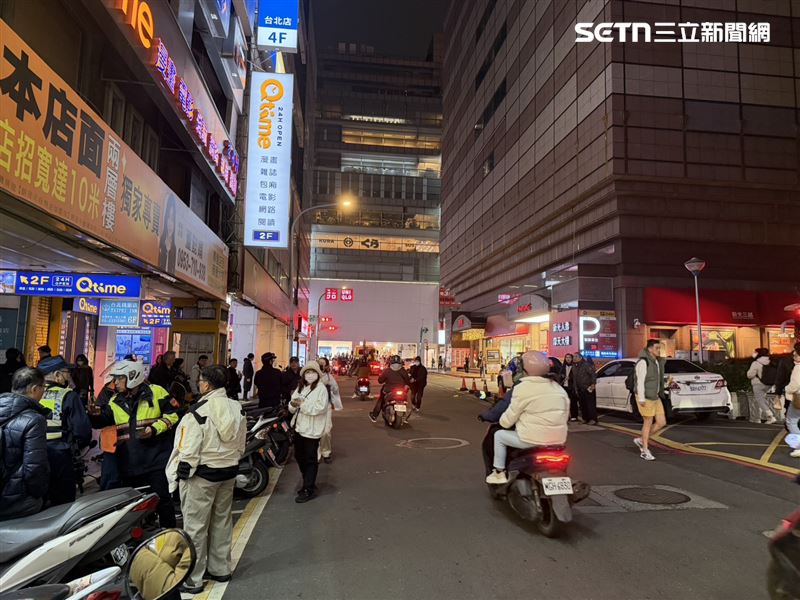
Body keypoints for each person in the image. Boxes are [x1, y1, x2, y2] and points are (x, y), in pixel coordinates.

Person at [166, 364, 246, 594]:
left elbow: (188, 451)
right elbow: (241, 444)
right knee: (222, 522)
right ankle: (221, 569)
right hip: (228, 473)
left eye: (200, 381)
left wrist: (178, 478)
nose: (198, 384)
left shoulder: (197, 412)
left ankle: (193, 578)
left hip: (201, 477)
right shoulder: (237, 408)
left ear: (207, 385)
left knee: (195, 527)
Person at [88, 359, 179, 528]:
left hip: (155, 459)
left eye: (119, 378)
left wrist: (154, 429)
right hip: (128, 461)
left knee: (163, 500)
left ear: (132, 377)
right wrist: (94, 415)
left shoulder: (156, 392)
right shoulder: (114, 401)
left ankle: (170, 535)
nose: (115, 383)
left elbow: (174, 415)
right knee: (133, 505)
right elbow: (103, 421)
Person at [485, 352, 569, 484]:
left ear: (524, 370)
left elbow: (508, 419)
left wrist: (502, 422)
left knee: (499, 435)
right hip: (558, 441)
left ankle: (499, 473)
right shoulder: (558, 388)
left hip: (531, 440)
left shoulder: (523, 388)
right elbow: (566, 414)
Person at [38, 355, 92, 505]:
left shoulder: (33, 393)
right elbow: (82, 431)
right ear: (57, 375)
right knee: (62, 503)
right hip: (60, 455)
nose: (69, 376)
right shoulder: (68, 395)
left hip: (34, 454)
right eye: (67, 372)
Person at [0, 367, 50, 520]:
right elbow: (34, 468)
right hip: (18, 501)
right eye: (43, 387)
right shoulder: (34, 420)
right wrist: (39, 494)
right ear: (34, 389)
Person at [288, 361, 331, 503]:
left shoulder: (321, 389)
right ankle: (308, 481)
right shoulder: (301, 387)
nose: (310, 375)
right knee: (299, 456)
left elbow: (320, 408)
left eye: (313, 372)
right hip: (299, 427)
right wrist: (292, 405)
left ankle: (308, 488)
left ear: (318, 374)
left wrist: (302, 405)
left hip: (313, 430)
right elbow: (293, 403)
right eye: (307, 372)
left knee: (310, 459)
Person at [632, 340, 667, 461]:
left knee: (661, 422)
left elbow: (655, 380)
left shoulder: (656, 362)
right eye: (657, 348)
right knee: (648, 422)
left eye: (659, 348)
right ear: (650, 349)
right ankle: (645, 451)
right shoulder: (643, 362)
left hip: (655, 396)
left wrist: (665, 385)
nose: (659, 350)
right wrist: (641, 398)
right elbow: (640, 382)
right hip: (645, 396)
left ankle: (641, 440)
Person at [316, 357, 343, 463]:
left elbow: (335, 389)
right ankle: (316, 454)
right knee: (315, 431)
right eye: (319, 363)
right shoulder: (312, 376)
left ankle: (326, 452)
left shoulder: (328, 377)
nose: (321, 366)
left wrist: (330, 387)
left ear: (327, 366)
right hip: (314, 407)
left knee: (326, 431)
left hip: (326, 406)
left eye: (323, 364)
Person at [370, 355, 411, 423]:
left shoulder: (387, 370)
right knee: (407, 401)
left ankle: (374, 416)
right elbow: (408, 381)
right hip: (401, 390)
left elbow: (380, 381)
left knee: (381, 399)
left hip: (389, 390)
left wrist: (381, 376)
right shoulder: (403, 370)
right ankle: (406, 418)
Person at [748, 348, 776, 424]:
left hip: (758, 384)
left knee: (760, 400)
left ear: (758, 353)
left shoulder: (756, 363)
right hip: (769, 384)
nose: (754, 353)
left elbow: (750, 375)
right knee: (760, 400)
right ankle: (756, 418)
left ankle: (770, 416)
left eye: (755, 352)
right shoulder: (771, 361)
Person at [571, 352, 597, 425]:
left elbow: (593, 374)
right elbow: (574, 378)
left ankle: (593, 419)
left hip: (588, 388)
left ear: (580, 357)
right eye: (574, 357)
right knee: (582, 405)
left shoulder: (586, 365)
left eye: (576, 356)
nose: (574, 358)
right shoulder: (574, 366)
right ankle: (585, 418)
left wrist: (593, 384)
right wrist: (575, 388)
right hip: (579, 388)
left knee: (590, 405)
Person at [783, 344, 800, 458]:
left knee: (791, 421)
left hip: (798, 399)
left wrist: (786, 389)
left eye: (796, 352)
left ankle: (798, 447)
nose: (794, 354)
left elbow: (795, 385)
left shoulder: (798, 368)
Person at [560, 354, 579, 421]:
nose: (568, 359)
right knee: (565, 402)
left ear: (572, 358)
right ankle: (566, 416)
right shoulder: (563, 367)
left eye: (569, 357)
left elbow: (577, 376)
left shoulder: (575, 366)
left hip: (572, 387)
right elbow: (560, 375)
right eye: (566, 357)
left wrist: (570, 378)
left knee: (573, 402)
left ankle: (574, 416)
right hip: (564, 386)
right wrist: (562, 376)